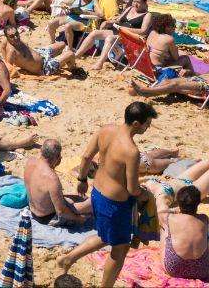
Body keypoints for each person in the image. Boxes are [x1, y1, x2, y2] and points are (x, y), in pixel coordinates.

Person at [57, 102, 158, 287]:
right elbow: (132, 189)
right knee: (119, 250)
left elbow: (86, 156)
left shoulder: (105, 130)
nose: (148, 127)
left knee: (106, 236)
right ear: (136, 123)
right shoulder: (131, 151)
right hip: (115, 205)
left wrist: (81, 179)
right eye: (147, 124)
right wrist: (147, 196)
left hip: (97, 194)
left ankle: (69, 258)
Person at [153, 186, 209, 282]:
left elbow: (160, 211)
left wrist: (175, 210)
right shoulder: (204, 219)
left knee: (164, 229)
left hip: (174, 269)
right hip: (201, 271)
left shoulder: (170, 218)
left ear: (179, 203)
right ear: (198, 203)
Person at [24, 140, 93, 226]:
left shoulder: (30, 161)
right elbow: (61, 211)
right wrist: (78, 219)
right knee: (90, 204)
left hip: (34, 211)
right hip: (48, 217)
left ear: (41, 150)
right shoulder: (52, 178)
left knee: (76, 197)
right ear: (58, 156)